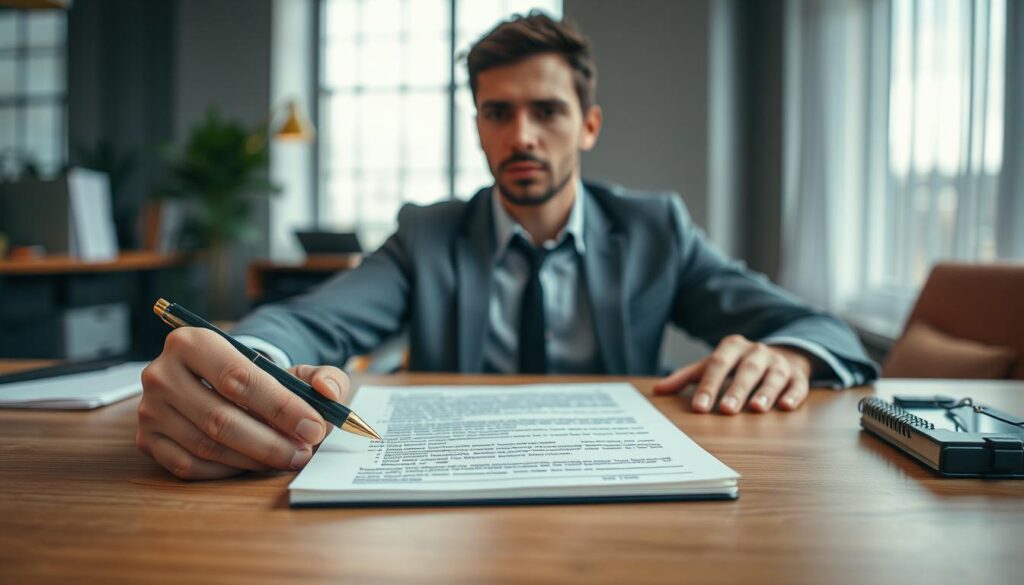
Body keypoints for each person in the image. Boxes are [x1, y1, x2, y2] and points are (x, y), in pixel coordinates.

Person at [137, 12, 878, 480]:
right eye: (498, 112)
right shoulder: (427, 234)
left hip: (622, 493)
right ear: (480, 126)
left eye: (547, 111)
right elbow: (311, 320)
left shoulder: (656, 229)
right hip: (450, 493)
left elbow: (823, 329)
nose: (522, 135)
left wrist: (792, 355)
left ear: (588, 125)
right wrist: (246, 365)